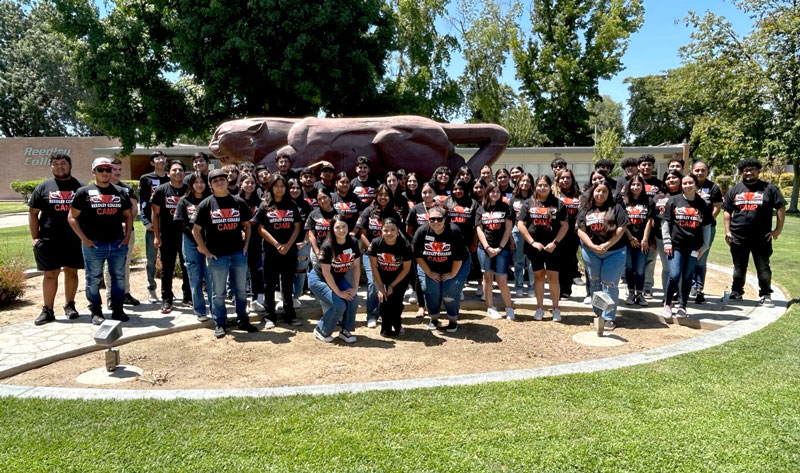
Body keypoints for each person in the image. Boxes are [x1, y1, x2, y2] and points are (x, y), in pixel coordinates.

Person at [191, 168, 258, 339]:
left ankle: (243, 320)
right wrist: (205, 250)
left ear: (227, 181)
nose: (220, 182)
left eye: (222, 179)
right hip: (216, 255)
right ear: (210, 185)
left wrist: (246, 246)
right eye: (215, 181)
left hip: (238, 253)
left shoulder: (238, 202)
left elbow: (248, 225)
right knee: (218, 292)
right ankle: (220, 323)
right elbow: (195, 230)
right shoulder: (206, 204)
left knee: (241, 290)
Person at [68, 157, 133, 325]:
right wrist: (85, 239)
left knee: (118, 277)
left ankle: (118, 309)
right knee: (93, 279)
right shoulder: (84, 192)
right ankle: (96, 311)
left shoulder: (120, 192)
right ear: (93, 171)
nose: (105, 173)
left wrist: (126, 238)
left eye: (108, 169)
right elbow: (72, 217)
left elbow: (128, 215)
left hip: (117, 244)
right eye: (101, 169)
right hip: (94, 245)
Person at [28, 153, 85, 325]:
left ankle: (70, 305)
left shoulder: (81, 188)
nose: (59, 166)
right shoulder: (43, 187)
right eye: (55, 164)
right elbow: (33, 213)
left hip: (74, 240)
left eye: (63, 163)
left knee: (71, 271)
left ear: (70, 165)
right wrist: (35, 238)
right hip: (49, 239)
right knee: (50, 274)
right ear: (51, 167)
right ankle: (48, 310)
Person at [723, 158, 785, 307]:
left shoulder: (769, 189)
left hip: (761, 236)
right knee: (739, 267)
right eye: (745, 170)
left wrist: (777, 230)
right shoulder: (735, 190)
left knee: (763, 267)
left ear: (758, 171)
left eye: (752, 170)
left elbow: (781, 208)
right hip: (738, 236)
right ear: (741, 172)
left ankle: (766, 294)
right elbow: (727, 211)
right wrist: (728, 231)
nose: (748, 172)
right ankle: (736, 292)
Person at [576, 180, 628, 335]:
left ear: (608, 194)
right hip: (591, 252)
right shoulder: (586, 209)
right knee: (595, 283)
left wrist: (607, 245)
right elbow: (580, 230)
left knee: (609, 284)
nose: (600, 194)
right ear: (592, 192)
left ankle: (609, 317)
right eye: (597, 191)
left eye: (604, 191)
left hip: (614, 252)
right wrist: (592, 246)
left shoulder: (616, 208)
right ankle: (598, 313)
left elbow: (621, 228)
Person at [254, 174, 304, 327]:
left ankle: (289, 315)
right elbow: (260, 229)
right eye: (277, 186)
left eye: (283, 186)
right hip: (271, 251)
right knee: (270, 284)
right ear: (271, 187)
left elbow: (297, 226)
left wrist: (288, 244)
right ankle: (270, 316)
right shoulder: (264, 206)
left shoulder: (291, 205)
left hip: (289, 250)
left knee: (288, 283)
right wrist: (277, 244)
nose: (280, 189)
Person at [517, 175, 569, 321]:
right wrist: (532, 242)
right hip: (536, 247)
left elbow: (565, 226)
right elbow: (520, 224)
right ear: (535, 187)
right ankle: (539, 308)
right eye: (539, 185)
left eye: (545, 185)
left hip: (553, 247)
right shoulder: (529, 203)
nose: (542, 188)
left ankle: (556, 309)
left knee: (553, 277)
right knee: (538, 276)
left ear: (550, 186)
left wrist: (555, 243)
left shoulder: (558, 204)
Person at [661, 173, 713, 320]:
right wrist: (666, 241)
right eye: (684, 183)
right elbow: (665, 223)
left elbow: (706, 226)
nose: (687, 186)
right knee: (674, 274)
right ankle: (668, 303)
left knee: (688, 276)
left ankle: (683, 306)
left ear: (696, 185)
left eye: (690, 183)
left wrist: (705, 245)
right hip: (675, 245)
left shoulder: (702, 204)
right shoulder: (673, 201)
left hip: (694, 247)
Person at [413, 206, 469, 333]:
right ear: (428, 219)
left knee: (449, 290)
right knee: (431, 290)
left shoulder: (454, 231)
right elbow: (417, 255)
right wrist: (429, 272)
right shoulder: (422, 232)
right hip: (430, 266)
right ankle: (434, 318)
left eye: (439, 219)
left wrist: (451, 274)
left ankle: (452, 320)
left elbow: (459, 257)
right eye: (432, 219)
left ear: (445, 219)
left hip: (455, 265)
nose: (436, 222)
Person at [309, 214, 360, 344]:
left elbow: (356, 267)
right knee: (339, 305)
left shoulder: (353, 242)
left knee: (353, 299)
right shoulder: (327, 246)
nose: (342, 230)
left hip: (337, 278)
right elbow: (326, 273)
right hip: (319, 280)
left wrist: (354, 287)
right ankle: (321, 329)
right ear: (332, 229)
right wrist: (338, 292)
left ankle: (346, 331)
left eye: (344, 226)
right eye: (338, 227)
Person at [356, 185, 402, 328]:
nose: (383, 197)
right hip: (370, 254)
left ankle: (388, 314)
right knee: (372, 283)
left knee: (389, 284)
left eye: (386, 194)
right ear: (375, 195)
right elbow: (362, 233)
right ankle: (372, 315)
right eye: (380, 194)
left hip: (389, 255)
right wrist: (370, 247)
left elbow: (398, 233)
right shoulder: (368, 211)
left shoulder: (394, 213)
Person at [151, 160, 191, 313]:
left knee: (187, 266)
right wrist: (156, 235)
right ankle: (166, 299)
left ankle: (188, 297)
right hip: (167, 235)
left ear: (184, 173)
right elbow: (154, 214)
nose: (177, 172)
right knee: (167, 268)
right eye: (174, 170)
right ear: (169, 174)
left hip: (186, 235)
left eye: (180, 170)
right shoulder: (162, 190)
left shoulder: (189, 190)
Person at [174, 172, 213, 321]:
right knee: (195, 277)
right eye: (195, 182)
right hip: (191, 243)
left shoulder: (211, 200)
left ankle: (214, 308)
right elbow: (181, 223)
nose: (199, 185)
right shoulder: (184, 201)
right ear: (190, 185)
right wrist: (197, 243)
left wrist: (204, 244)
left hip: (209, 243)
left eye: (202, 181)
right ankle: (200, 310)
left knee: (211, 277)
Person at [103, 158, 140, 308]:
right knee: (109, 265)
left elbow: (134, 208)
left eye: (119, 170)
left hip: (126, 233)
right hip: (107, 233)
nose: (117, 173)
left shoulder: (126, 188)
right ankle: (110, 296)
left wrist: (127, 222)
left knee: (125, 264)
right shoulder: (101, 188)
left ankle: (125, 293)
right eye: (114, 170)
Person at [367, 217, 413, 336]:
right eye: (385, 230)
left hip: (399, 277)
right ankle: (386, 326)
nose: (389, 233)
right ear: (381, 231)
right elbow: (373, 266)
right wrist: (380, 286)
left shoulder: (405, 245)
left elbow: (406, 268)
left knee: (396, 302)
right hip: (382, 276)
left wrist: (392, 285)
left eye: (392, 230)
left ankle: (397, 323)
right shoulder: (376, 243)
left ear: (398, 230)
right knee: (384, 301)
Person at [476, 182, 514, 320]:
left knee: (501, 280)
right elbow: (479, 229)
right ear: (487, 193)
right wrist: (487, 247)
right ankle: (490, 307)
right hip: (484, 249)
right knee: (487, 278)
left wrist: (500, 248)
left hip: (501, 249)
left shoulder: (506, 208)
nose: (495, 194)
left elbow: (508, 229)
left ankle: (509, 307)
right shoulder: (481, 209)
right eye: (492, 191)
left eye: (497, 191)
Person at [690, 160, 723, 303]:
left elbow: (716, 207)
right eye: (697, 170)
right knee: (690, 257)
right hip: (689, 228)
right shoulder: (687, 184)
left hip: (707, 229)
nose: (699, 173)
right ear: (692, 170)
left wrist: (706, 222)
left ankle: (699, 288)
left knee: (700, 258)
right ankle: (690, 285)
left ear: (707, 172)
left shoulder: (713, 187)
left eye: (702, 170)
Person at [406, 182, 439, 317]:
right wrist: (416, 242)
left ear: (434, 194)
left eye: (430, 192)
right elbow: (409, 229)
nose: (427, 195)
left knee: (436, 276)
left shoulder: (439, 208)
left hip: (437, 249)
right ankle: (421, 306)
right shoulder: (416, 209)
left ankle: (436, 305)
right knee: (419, 278)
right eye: (424, 192)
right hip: (419, 249)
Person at [649, 170, 683, 302]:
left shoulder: (685, 195)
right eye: (668, 178)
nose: (671, 180)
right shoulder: (659, 197)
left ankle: (680, 296)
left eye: (674, 177)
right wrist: (651, 236)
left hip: (681, 238)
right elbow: (652, 218)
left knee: (679, 268)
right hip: (661, 237)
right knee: (667, 268)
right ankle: (666, 295)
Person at [139, 151, 168, 302]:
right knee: (151, 259)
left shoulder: (171, 177)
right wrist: (146, 222)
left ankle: (166, 289)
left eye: (163, 158)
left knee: (167, 260)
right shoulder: (146, 179)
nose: (161, 160)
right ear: (152, 162)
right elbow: (143, 202)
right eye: (157, 158)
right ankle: (152, 289)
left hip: (169, 226)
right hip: (152, 225)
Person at [622, 175, 654, 306]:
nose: (635, 187)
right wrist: (630, 238)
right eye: (633, 185)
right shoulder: (624, 201)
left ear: (642, 187)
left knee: (640, 269)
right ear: (629, 186)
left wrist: (645, 239)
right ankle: (630, 293)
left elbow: (649, 221)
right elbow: (622, 222)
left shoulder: (649, 201)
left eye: (638, 185)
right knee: (629, 268)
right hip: (627, 240)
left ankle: (640, 294)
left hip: (642, 241)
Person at [445, 179, 479, 300]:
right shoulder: (447, 202)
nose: (457, 191)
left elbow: (477, 225)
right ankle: (456, 288)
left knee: (465, 265)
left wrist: (475, 242)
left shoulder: (473, 203)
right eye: (455, 189)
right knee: (452, 264)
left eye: (460, 188)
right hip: (450, 239)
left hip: (468, 239)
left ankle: (461, 286)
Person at [238, 173, 266, 314]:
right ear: (241, 184)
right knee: (242, 272)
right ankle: (243, 300)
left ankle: (258, 299)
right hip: (239, 242)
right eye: (246, 182)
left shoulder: (260, 202)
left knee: (257, 270)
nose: (250, 185)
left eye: (252, 183)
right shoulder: (235, 201)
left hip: (257, 241)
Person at [553, 168, 582, 299]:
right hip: (557, 233)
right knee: (556, 262)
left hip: (573, 234)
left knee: (569, 262)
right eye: (562, 178)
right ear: (558, 180)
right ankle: (556, 289)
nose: (565, 180)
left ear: (572, 179)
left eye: (568, 177)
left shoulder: (579, 195)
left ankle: (566, 289)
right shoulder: (553, 196)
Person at [509, 173, 534, 297]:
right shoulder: (514, 198)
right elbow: (509, 219)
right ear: (518, 182)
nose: (525, 183)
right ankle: (518, 286)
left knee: (531, 262)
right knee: (518, 261)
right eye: (522, 181)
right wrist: (510, 238)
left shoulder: (535, 198)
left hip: (531, 233)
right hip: (517, 232)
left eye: (527, 181)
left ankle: (532, 287)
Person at [289, 178, 312, 308]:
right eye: (292, 188)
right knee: (287, 270)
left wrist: (304, 241)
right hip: (287, 242)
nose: (295, 190)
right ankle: (287, 296)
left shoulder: (305, 205)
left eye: (297, 188)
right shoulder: (283, 203)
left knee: (300, 269)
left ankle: (297, 296)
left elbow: (309, 225)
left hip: (303, 242)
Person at [306, 188, 339, 268]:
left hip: (336, 251)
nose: (323, 201)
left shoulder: (338, 214)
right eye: (319, 199)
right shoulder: (313, 214)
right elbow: (311, 235)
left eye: (324, 197)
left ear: (330, 198)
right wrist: (317, 252)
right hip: (318, 251)